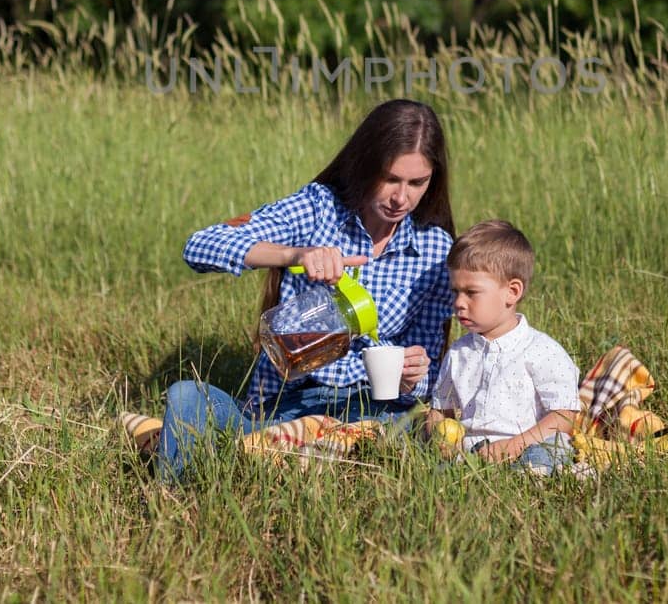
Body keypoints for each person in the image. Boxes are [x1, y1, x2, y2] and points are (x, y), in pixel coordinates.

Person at [158, 98, 455, 480]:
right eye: (391, 178)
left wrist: (414, 376)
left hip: (371, 411)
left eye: (417, 183)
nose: (402, 198)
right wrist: (294, 254)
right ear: (365, 166)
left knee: (431, 440)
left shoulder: (435, 250)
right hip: (288, 405)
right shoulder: (318, 209)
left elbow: (429, 373)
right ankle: (183, 500)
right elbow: (200, 245)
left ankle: (286, 455)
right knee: (187, 397)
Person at [427, 220, 581, 474]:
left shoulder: (542, 351)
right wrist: (440, 438)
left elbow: (564, 416)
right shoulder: (458, 353)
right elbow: (440, 410)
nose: (459, 303)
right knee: (436, 467)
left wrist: (515, 444)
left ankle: (531, 475)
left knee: (553, 448)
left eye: (471, 292)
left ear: (512, 292)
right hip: (473, 448)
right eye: (455, 292)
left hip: (529, 441)